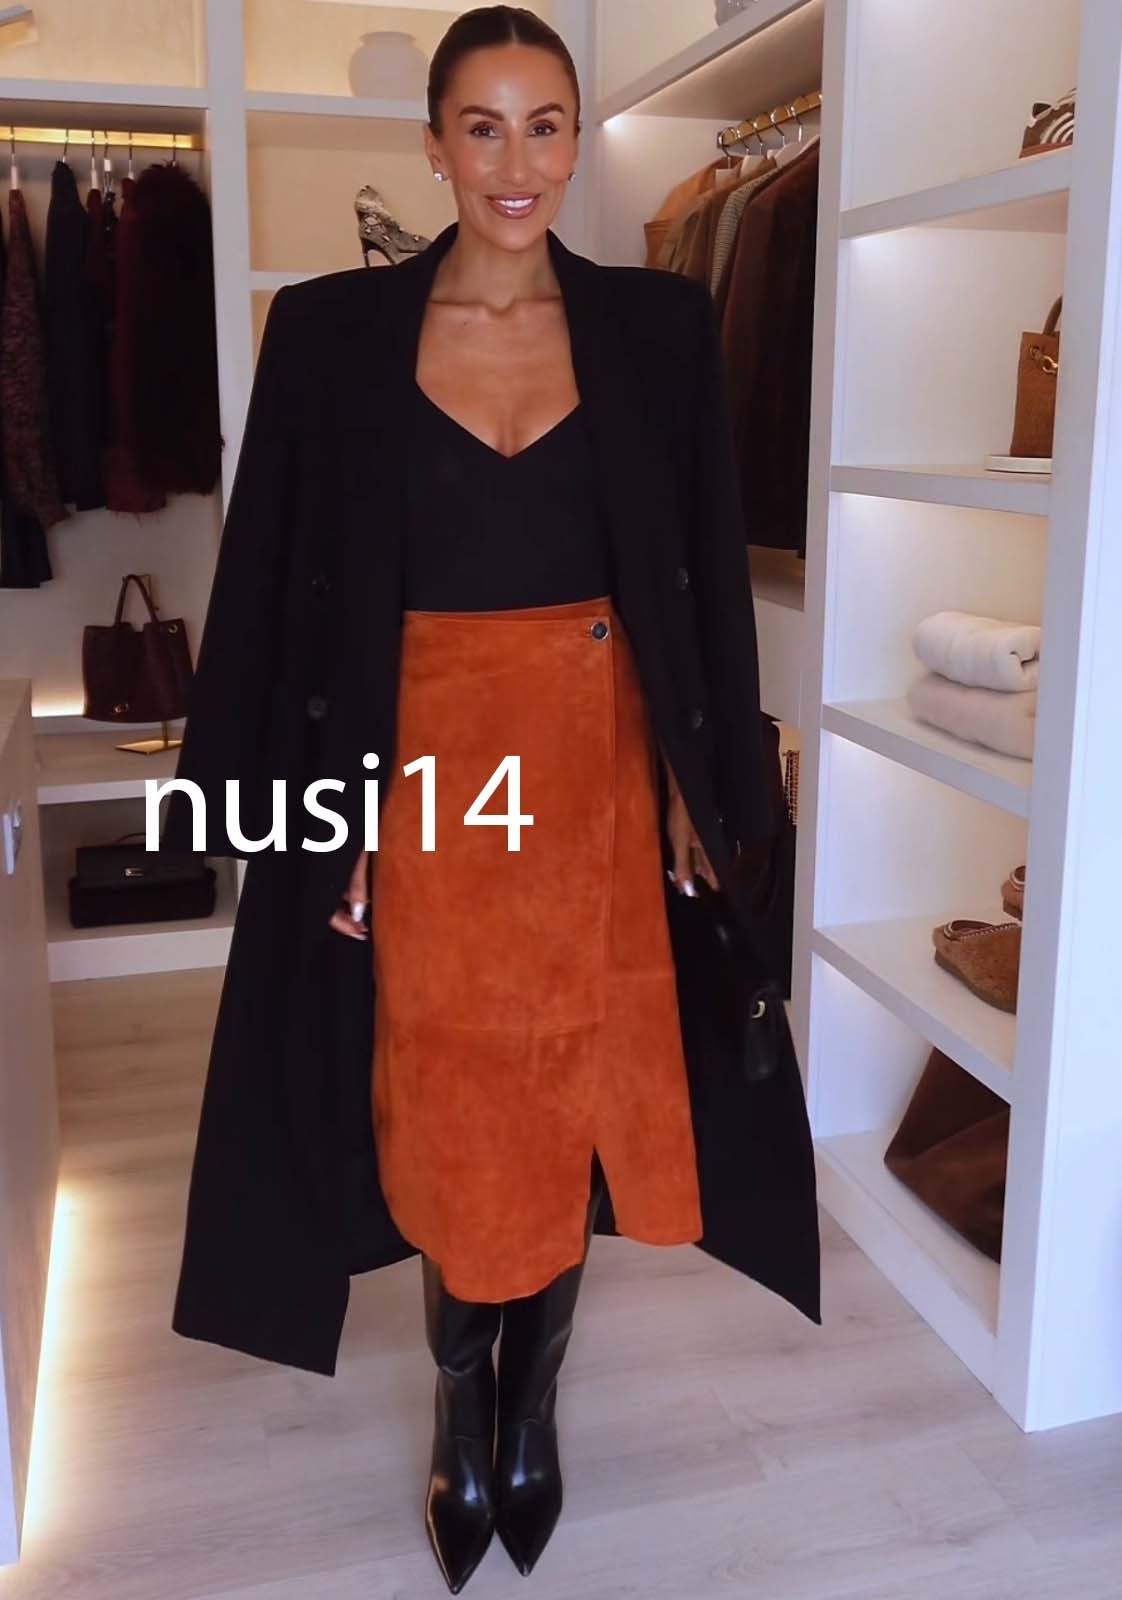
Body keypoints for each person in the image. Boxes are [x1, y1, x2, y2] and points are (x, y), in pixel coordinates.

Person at [160, 5, 821, 1593]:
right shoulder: (329, 332)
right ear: (434, 144)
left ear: (574, 139)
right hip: (424, 773)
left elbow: (701, 575)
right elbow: (268, 582)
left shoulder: (656, 326)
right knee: (451, 1092)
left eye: (544, 125)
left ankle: (537, 1400)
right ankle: (467, 1394)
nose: (515, 162)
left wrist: (703, 786)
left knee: (579, 1078)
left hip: (598, 761)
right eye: (481, 126)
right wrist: (296, 816)